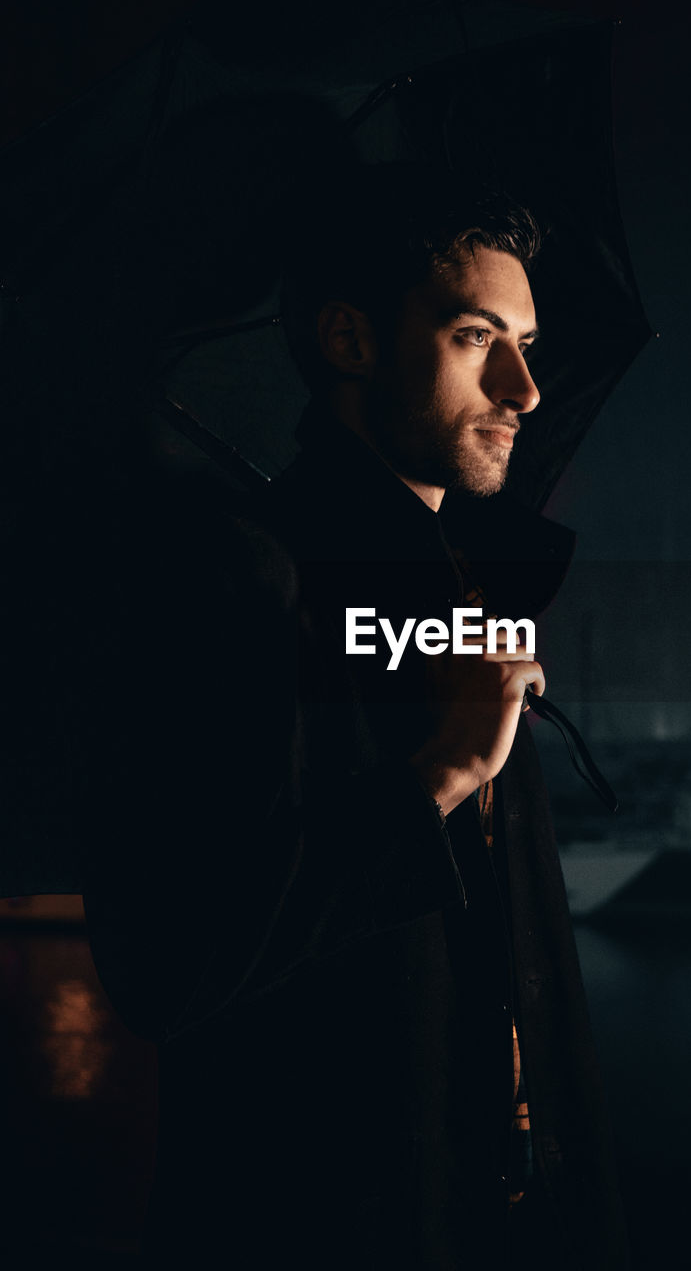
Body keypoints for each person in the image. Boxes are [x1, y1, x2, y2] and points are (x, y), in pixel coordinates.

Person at [80, 168, 628, 1269]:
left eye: (525, 341)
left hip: (497, 1210)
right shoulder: (233, 577)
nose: (524, 387)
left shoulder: (467, 595)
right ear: (349, 338)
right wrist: (440, 771)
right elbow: (168, 961)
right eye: (479, 336)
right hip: (318, 1220)